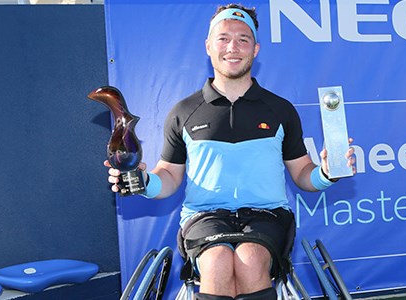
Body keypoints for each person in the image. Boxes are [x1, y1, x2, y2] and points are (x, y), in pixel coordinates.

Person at [105, 3, 356, 300]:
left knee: (250, 259)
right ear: (208, 46)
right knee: (216, 262)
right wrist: (144, 182)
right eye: (223, 38)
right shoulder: (183, 111)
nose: (232, 47)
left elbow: (303, 174)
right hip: (204, 217)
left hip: (269, 215)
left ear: (256, 49)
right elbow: (169, 176)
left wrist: (327, 173)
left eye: (243, 39)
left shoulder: (280, 109)